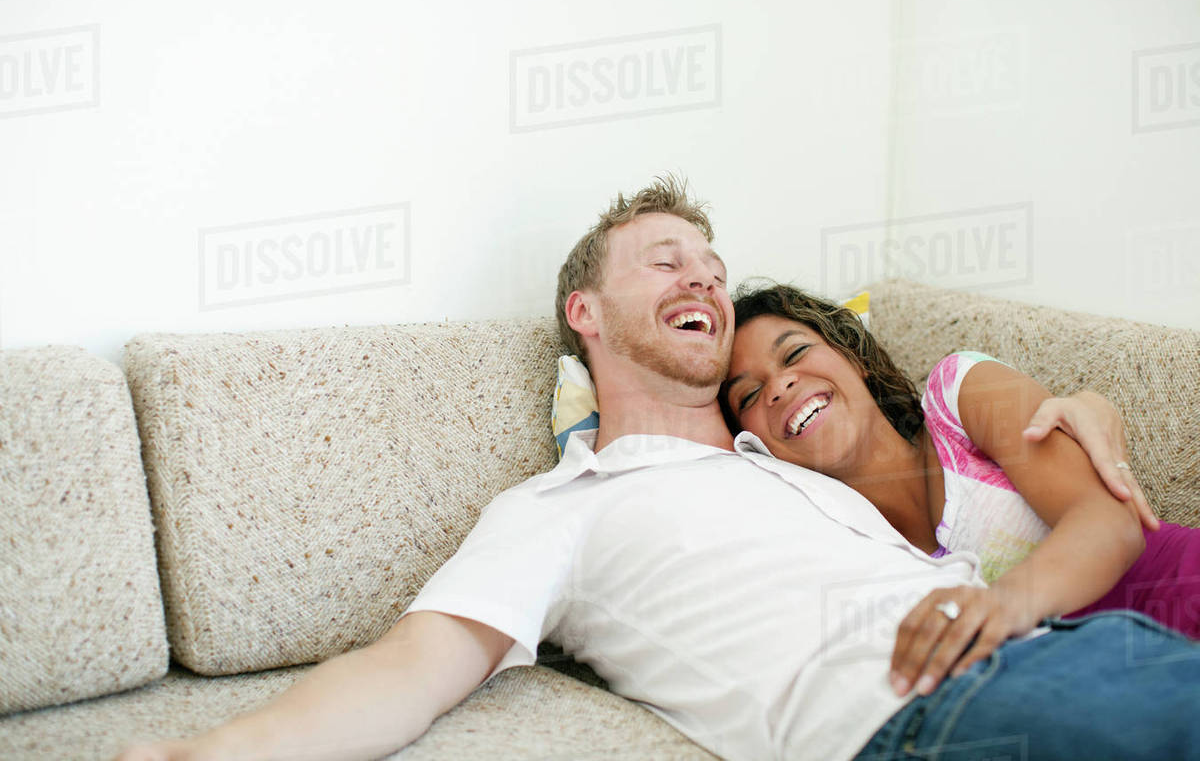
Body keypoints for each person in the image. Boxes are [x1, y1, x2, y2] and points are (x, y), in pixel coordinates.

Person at [115, 176, 1200, 761]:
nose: (706, 282)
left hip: (1090, 644)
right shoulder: (561, 506)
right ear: (585, 312)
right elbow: (405, 671)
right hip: (941, 714)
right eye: (667, 261)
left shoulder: (790, 462)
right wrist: (204, 754)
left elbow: (981, 459)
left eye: (715, 270)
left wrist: (1092, 405)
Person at [721, 282, 1200, 678]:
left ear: (853, 356)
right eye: (750, 395)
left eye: (795, 353)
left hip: (1176, 592)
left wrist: (1001, 606)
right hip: (1100, 691)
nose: (779, 386)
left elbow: (1111, 524)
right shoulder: (833, 542)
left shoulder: (957, 394)